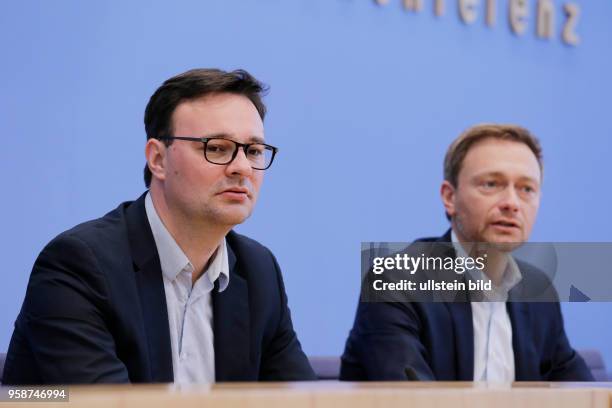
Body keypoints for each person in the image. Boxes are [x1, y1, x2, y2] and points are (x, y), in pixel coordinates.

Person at [2, 68, 316, 384]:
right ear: (158, 159)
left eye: (253, 151)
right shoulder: (79, 265)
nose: (242, 168)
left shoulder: (258, 271)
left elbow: (306, 400)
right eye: (217, 147)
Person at [340, 124, 593, 381]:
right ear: (449, 198)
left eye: (526, 189)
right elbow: (413, 399)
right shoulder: (395, 281)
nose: (512, 204)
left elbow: (584, 393)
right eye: (491, 184)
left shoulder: (538, 292)